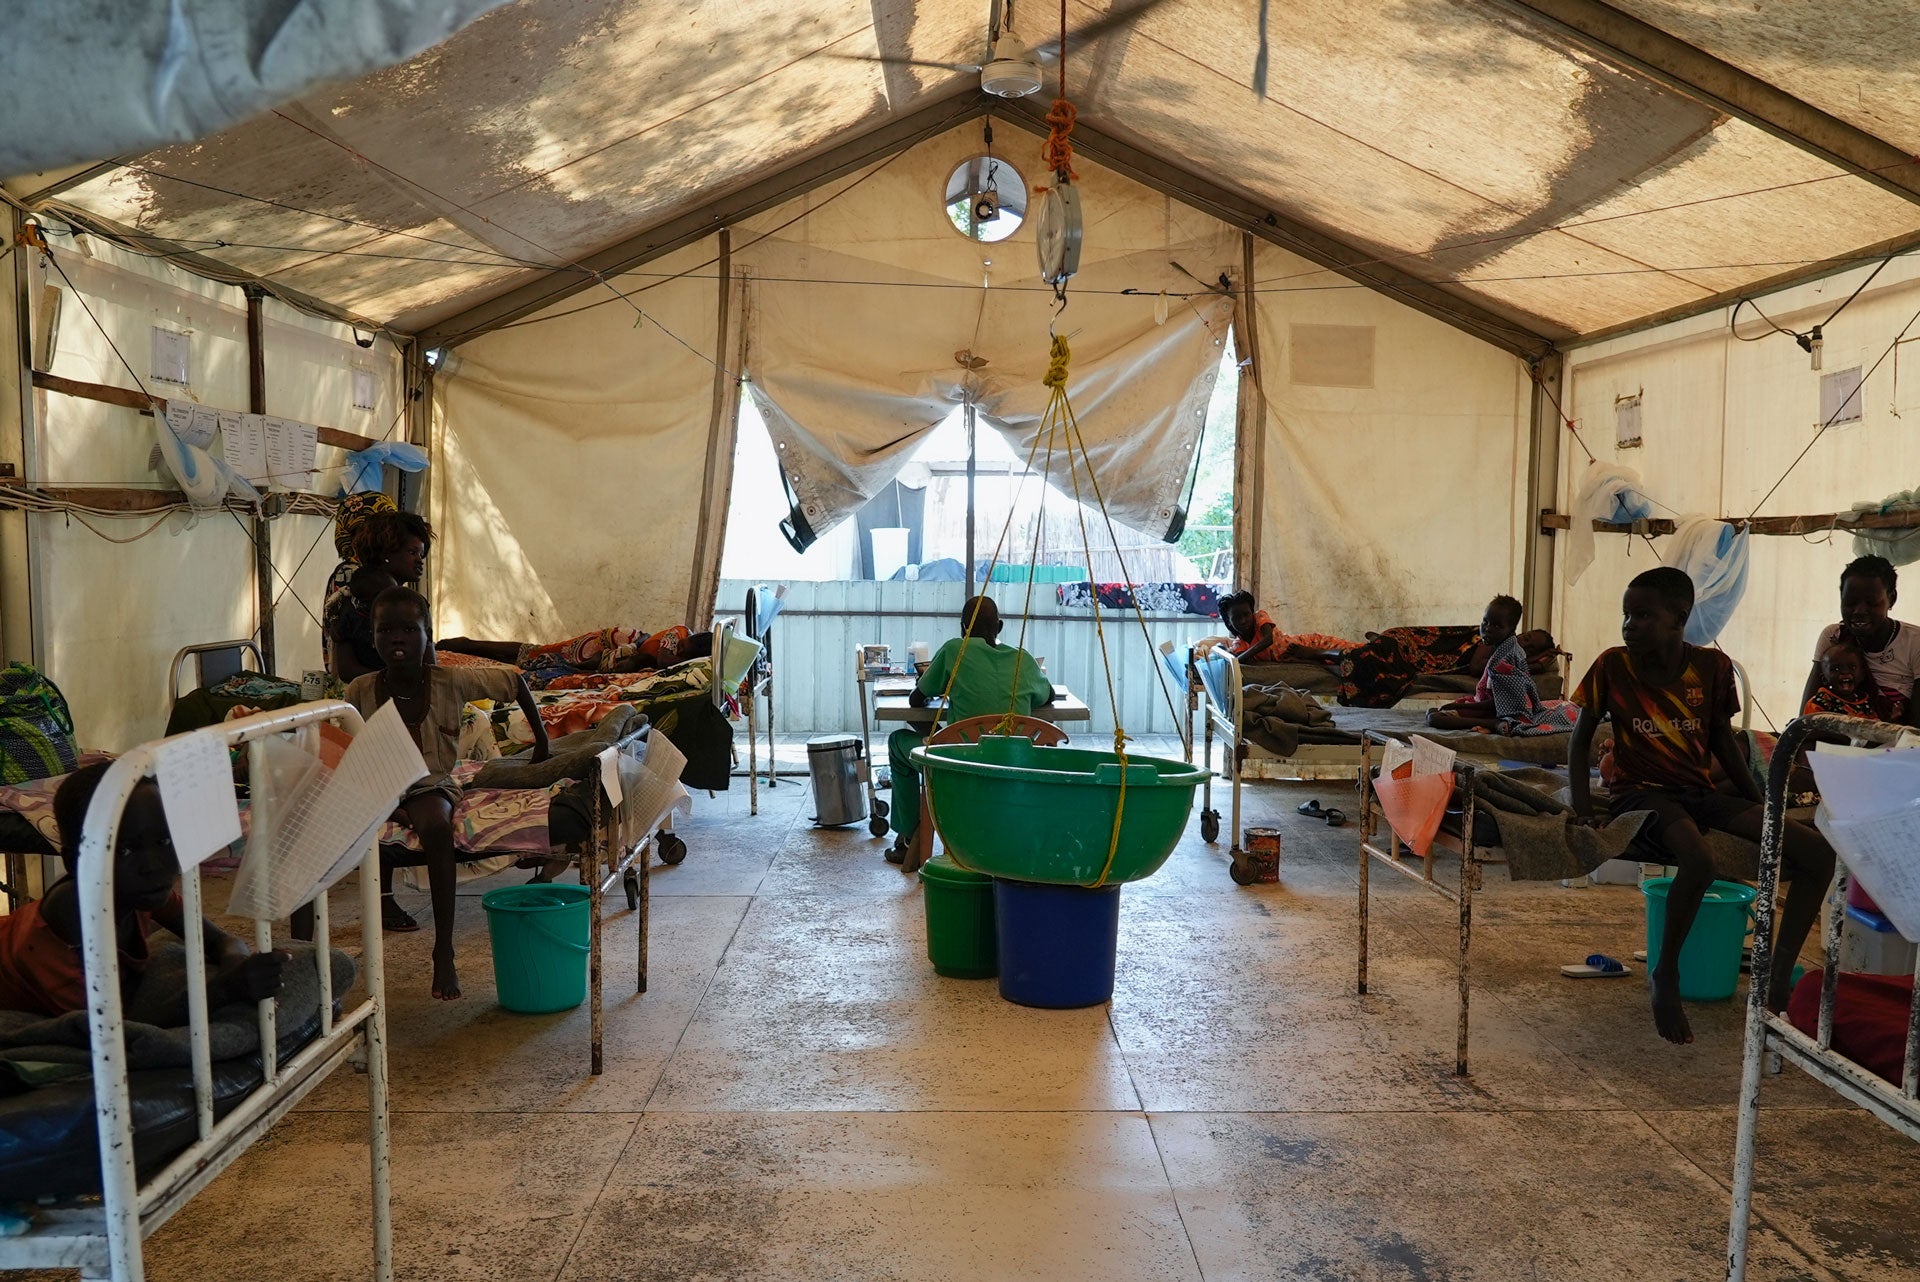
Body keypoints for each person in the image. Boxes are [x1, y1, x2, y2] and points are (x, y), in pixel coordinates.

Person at [1567, 567, 1835, 1046]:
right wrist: (1585, 808)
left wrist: (1762, 806)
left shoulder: (1711, 669)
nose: (1629, 625)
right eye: (1626, 615)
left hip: (1699, 792)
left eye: (1643, 615)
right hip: (1641, 791)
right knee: (1699, 859)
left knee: (1818, 854)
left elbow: (1723, 742)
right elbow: (1580, 738)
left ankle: (1773, 976)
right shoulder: (1612, 666)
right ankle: (1664, 973)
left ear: (1679, 619)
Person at [345, 587, 550, 1000]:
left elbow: (513, 681)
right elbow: (349, 750)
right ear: (373, 637)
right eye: (386, 630)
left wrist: (543, 743)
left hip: (427, 784)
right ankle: (302, 961)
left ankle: (444, 950)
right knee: (308, 828)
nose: (397, 638)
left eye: (409, 629)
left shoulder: (450, 680)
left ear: (428, 635)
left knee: (437, 825)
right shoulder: (359, 690)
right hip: (376, 784)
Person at [0, 762, 286, 1021]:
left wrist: (235, 967)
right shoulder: (66, 932)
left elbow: (222, 940)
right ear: (76, 862)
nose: (153, 865)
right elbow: (114, 1033)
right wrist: (226, 989)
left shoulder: (136, 889)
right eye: (124, 850)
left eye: (163, 841)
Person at [886, 597, 1053, 868]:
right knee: (942, 737)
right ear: (999, 627)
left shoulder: (956, 650)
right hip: (1014, 766)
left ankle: (908, 839)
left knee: (898, 742)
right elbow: (1048, 695)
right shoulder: (1022, 658)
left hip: (961, 765)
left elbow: (917, 699)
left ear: (963, 628)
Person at [1798, 555, 1919, 725]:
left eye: (1871, 603)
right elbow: (1806, 717)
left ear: (1891, 599)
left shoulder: (1915, 642)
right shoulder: (1834, 636)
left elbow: (1915, 730)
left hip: (1896, 744)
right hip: (1834, 738)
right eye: (1850, 603)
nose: (1859, 611)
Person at [325, 510, 435, 684]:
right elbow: (430, 668)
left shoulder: (343, 599)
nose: (419, 560)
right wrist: (397, 684)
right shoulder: (415, 606)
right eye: (412, 552)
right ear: (387, 555)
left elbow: (346, 670)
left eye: (421, 554)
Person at [438, 626, 713, 680]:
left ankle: (466, 646)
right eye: (683, 650)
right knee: (533, 653)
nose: (679, 650)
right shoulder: (678, 633)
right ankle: (463, 644)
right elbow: (664, 659)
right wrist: (681, 658)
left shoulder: (683, 646)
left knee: (533, 655)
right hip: (606, 643)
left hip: (616, 649)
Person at [1199, 592, 1356, 665]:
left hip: (1308, 644)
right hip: (1303, 658)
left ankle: (1378, 644)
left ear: (1252, 612)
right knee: (1345, 660)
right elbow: (1229, 658)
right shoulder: (1240, 645)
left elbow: (1268, 640)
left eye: (1246, 614)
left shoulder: (1260, 617)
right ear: (1228, 622)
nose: (1244, 620)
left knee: (1353, 652)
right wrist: (1222, 650)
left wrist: (1239, 659)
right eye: (1236, 618)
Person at [1804, 635, 1876, 719]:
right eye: (1836, 669)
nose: (1845, 672)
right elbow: (1810, 728)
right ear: (1824, 679)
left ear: (1862, 675)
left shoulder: (1865, 702)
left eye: (1852, 667)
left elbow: (1875, 727)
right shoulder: (1819, 703)